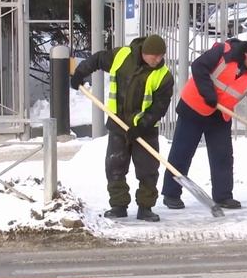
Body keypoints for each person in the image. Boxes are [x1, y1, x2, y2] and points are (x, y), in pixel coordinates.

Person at [161, 35, 247, 210]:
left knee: (222, 156)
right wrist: (208, 93)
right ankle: (171, 194)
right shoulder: (223, 52)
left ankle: (223, 196)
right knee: (182, 152)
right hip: (193, 107)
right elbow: (198, 66)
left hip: (220, 116)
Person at [70, 35, 174, 221]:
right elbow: (98, 59)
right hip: (118, 124)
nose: (158, 60)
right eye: (154, 56)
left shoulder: (164, 76)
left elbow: (159, 107)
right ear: (144, 53)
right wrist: (80, 72)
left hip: (144, 130)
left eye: (161, 56)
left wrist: (142, 125)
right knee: (115, 166)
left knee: (148, 169)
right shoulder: (122, 56)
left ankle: (145, 207)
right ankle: (118, 205)